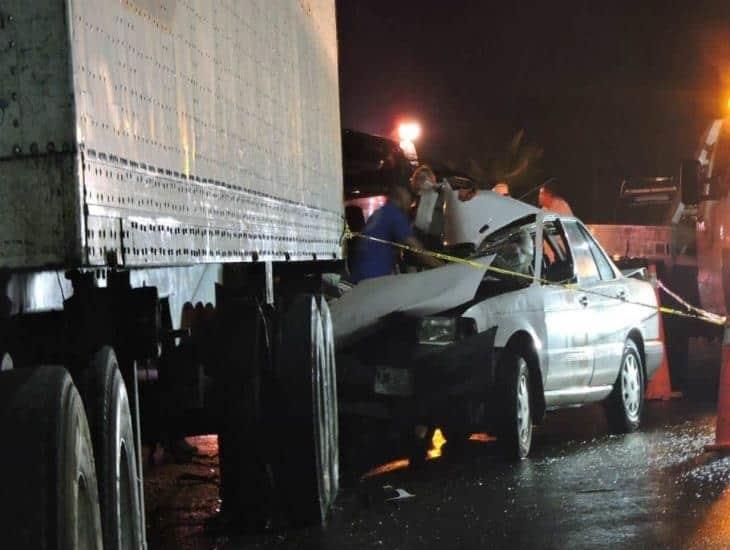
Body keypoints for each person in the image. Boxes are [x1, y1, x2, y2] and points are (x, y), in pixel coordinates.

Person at [350, 182, 442, 283]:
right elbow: (417, 249)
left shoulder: (379, 214)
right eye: (410, 196)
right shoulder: (395, 215)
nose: (411, 202)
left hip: (359, 276)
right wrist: (442, 267)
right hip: (374, 277)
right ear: (401, 194)